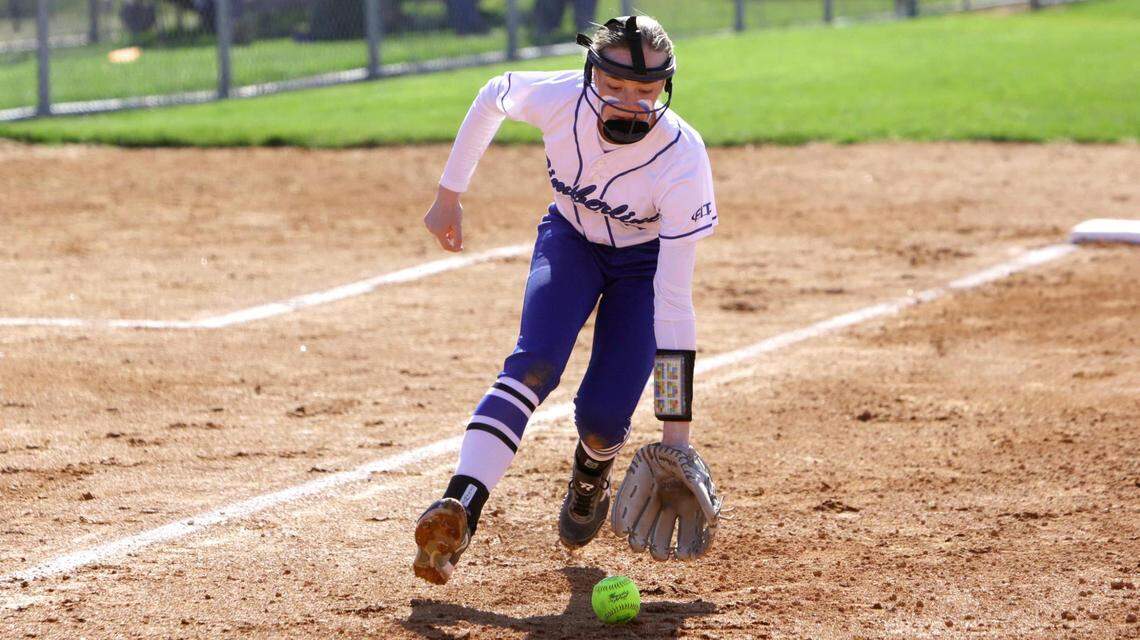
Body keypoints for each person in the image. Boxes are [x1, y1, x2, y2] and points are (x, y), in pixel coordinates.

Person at [413, 15, 721, 586]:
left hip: (643, 268)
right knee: (534, 362)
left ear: (666, 89)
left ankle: (590, 475)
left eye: (647, 91)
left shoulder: (682, 160)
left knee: (603, 420)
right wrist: (448, 196)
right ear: (590, 75)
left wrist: (676, 437)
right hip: (571, 241)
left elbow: (674, 304)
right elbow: (493, 96)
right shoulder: (559, 99)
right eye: (615, 87)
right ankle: (461, 505)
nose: (631, 103)